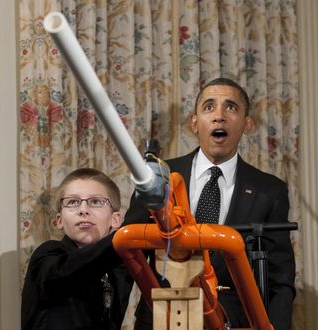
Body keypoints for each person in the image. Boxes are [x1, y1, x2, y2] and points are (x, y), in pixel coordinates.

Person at [123, 77, 296, 330]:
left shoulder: (270, 190)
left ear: (247, 124)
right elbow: (130, 255)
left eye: (231, 107)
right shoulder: (158, 177)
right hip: (163, 316)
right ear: (194, 123)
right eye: (209, 107)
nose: (219, 116)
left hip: (234, 321)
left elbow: (279, 279)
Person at [21, 168, 132, 330]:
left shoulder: (118, 270)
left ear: (115, 220)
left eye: (95, 202)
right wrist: (127, 232)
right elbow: (73, 270)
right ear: (59, 220)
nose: (83, 210)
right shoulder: (48, 255)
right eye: (73, 202)